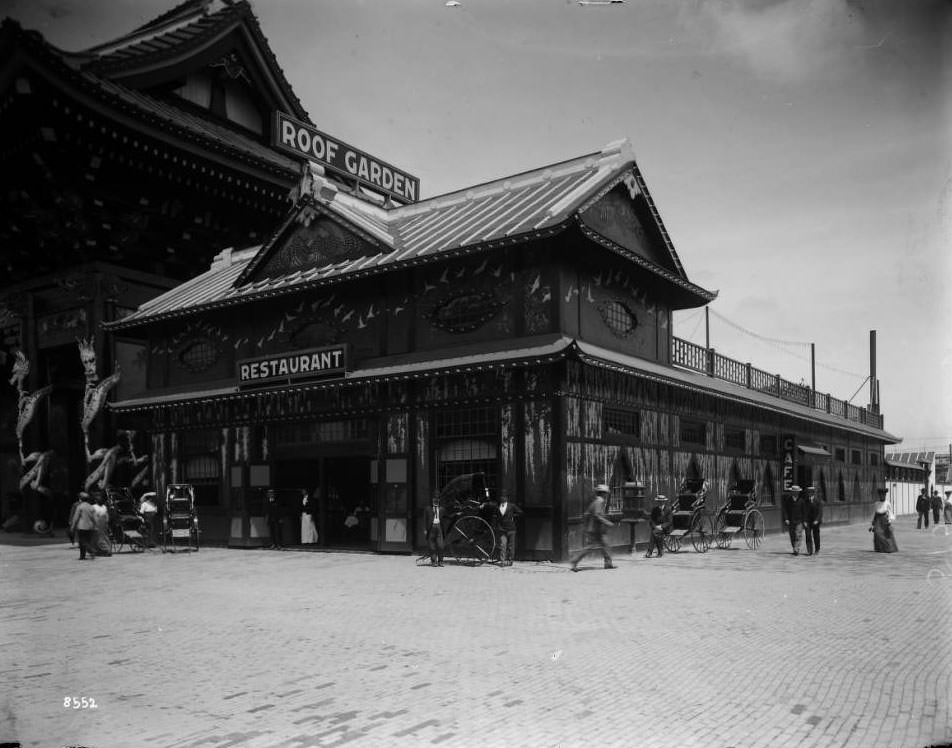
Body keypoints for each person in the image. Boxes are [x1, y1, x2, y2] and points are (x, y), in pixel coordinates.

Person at [569, 484, 617, 571]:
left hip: (597, 529)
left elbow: (588, 514)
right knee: (590, 547)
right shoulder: (599, 502)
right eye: (606, 493)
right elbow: (597, 515)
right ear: (603, 493)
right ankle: (574, 561)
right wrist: (607, 523)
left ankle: (608, 563)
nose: (607, 495)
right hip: (595, 529)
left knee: (604, 545)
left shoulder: (597, 502)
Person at [488, 491, 522, 566]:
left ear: (507, 498)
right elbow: (495, 516)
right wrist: (495, 525)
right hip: (502, 529)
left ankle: (510, 561)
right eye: (501, 497)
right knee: (503, 545)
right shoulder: (497, 506)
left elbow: (520, 512)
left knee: (511, 546)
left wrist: (513, 518)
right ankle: (502, 561)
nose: (502, 498)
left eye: (504, 497)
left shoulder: (511, 506)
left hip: (511, 529)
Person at [69, 492, 97, 561]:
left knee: (82, 542)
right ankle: (85, 554)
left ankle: (87, 553)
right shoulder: (91, 507)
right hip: (90, 527)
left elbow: (76, 518)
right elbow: (94, 518)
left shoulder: (80, 507)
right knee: (87, 540)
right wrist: (95, 525)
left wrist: (72, 526)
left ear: (81, 499)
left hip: (82, 527)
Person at [870, 488, 898, 553]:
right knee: (877, 533)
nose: (882, 496)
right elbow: (875, 513)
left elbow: (890, 513)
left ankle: (888, 548)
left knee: (886, 535)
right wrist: (872, 524)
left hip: (885, 520)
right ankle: (880, 548)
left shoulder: (887, 503)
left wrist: (889, 522)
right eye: (880, 495)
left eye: (883, 495)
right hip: (878, 521)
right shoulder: (876, 503)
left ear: (885, 495)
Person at [423, 491, 445, 567]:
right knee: (431, 546)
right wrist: (425, 529)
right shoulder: (428, 509)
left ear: (439, 500)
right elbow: (425, 519)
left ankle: (441, 561)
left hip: (439, 527)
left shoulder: (442, 509)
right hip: (431, 527)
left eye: (437, 499)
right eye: (434, 498)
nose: (436, 500)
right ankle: (433, 561)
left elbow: (446, 518)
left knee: (441, 545)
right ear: (432, 499)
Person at [781, 485, 805, 555]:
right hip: (791, 521)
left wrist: (804, 520)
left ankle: (796, 548)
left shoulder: (801, 501)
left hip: (799, 521)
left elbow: (804, 511)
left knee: (798, 534)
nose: (795, 493)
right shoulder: (788, 500)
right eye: (794, 492)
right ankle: (794, 547)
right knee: (792, 535)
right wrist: (786, 519)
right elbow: (785, 510)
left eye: (797, 492)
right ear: (792, 492)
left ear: (798, 492)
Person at [802, 485, 823, 556]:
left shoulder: (818, 501)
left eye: (811, 492)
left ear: (813, 493)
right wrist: (804, 521)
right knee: (808, 535)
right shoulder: (805, 501)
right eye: (808, 492)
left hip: (815, 521)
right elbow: (804, 512)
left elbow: (820, 512)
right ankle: (809, 550)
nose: (810, 494)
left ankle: (817, 549)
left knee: (816, 535)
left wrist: (817, 520)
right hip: (807, 521)